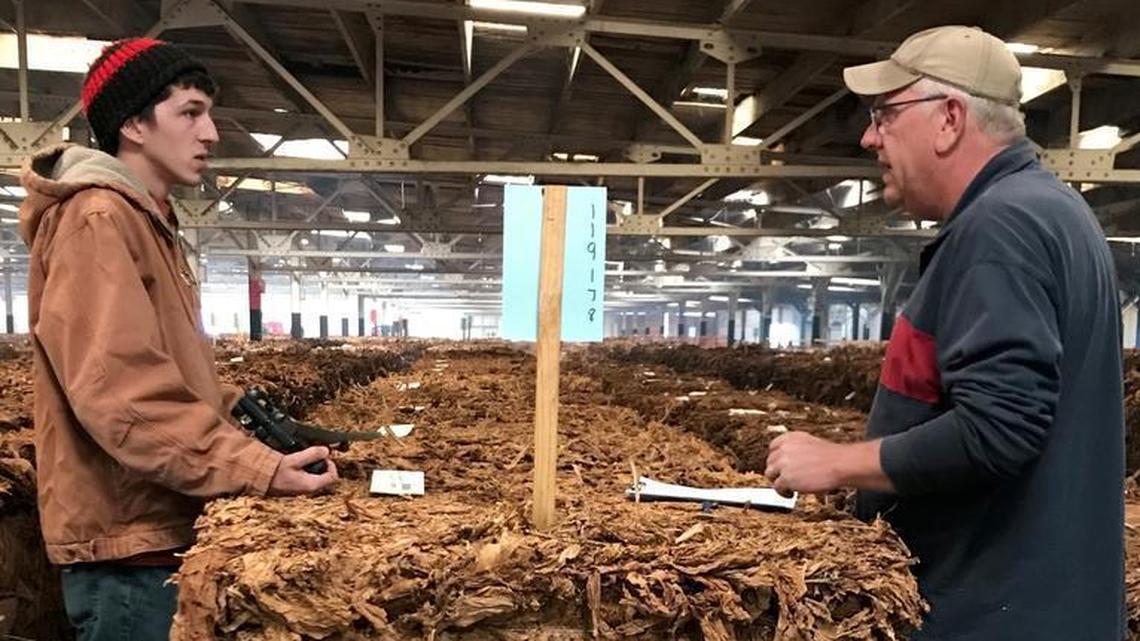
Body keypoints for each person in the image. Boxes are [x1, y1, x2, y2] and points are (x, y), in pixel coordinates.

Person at [763, 25, 1125, 640]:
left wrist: (840, 463)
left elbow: (1000, 427)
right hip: (1042, 607)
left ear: (949, 119)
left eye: (885, 114)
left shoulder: (1002, 227)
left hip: (994, 615)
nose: (869, 137)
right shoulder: (1052, 211)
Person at [17, 38, 339, 641]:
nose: (210, 133)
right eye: (190, 113)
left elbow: (170, 369)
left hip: (156, 531)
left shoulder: (146, 220)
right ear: (134, 124)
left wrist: (259, 427)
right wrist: (257, 469)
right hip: (130, 549)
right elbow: (121, 392)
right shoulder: (98, 218)